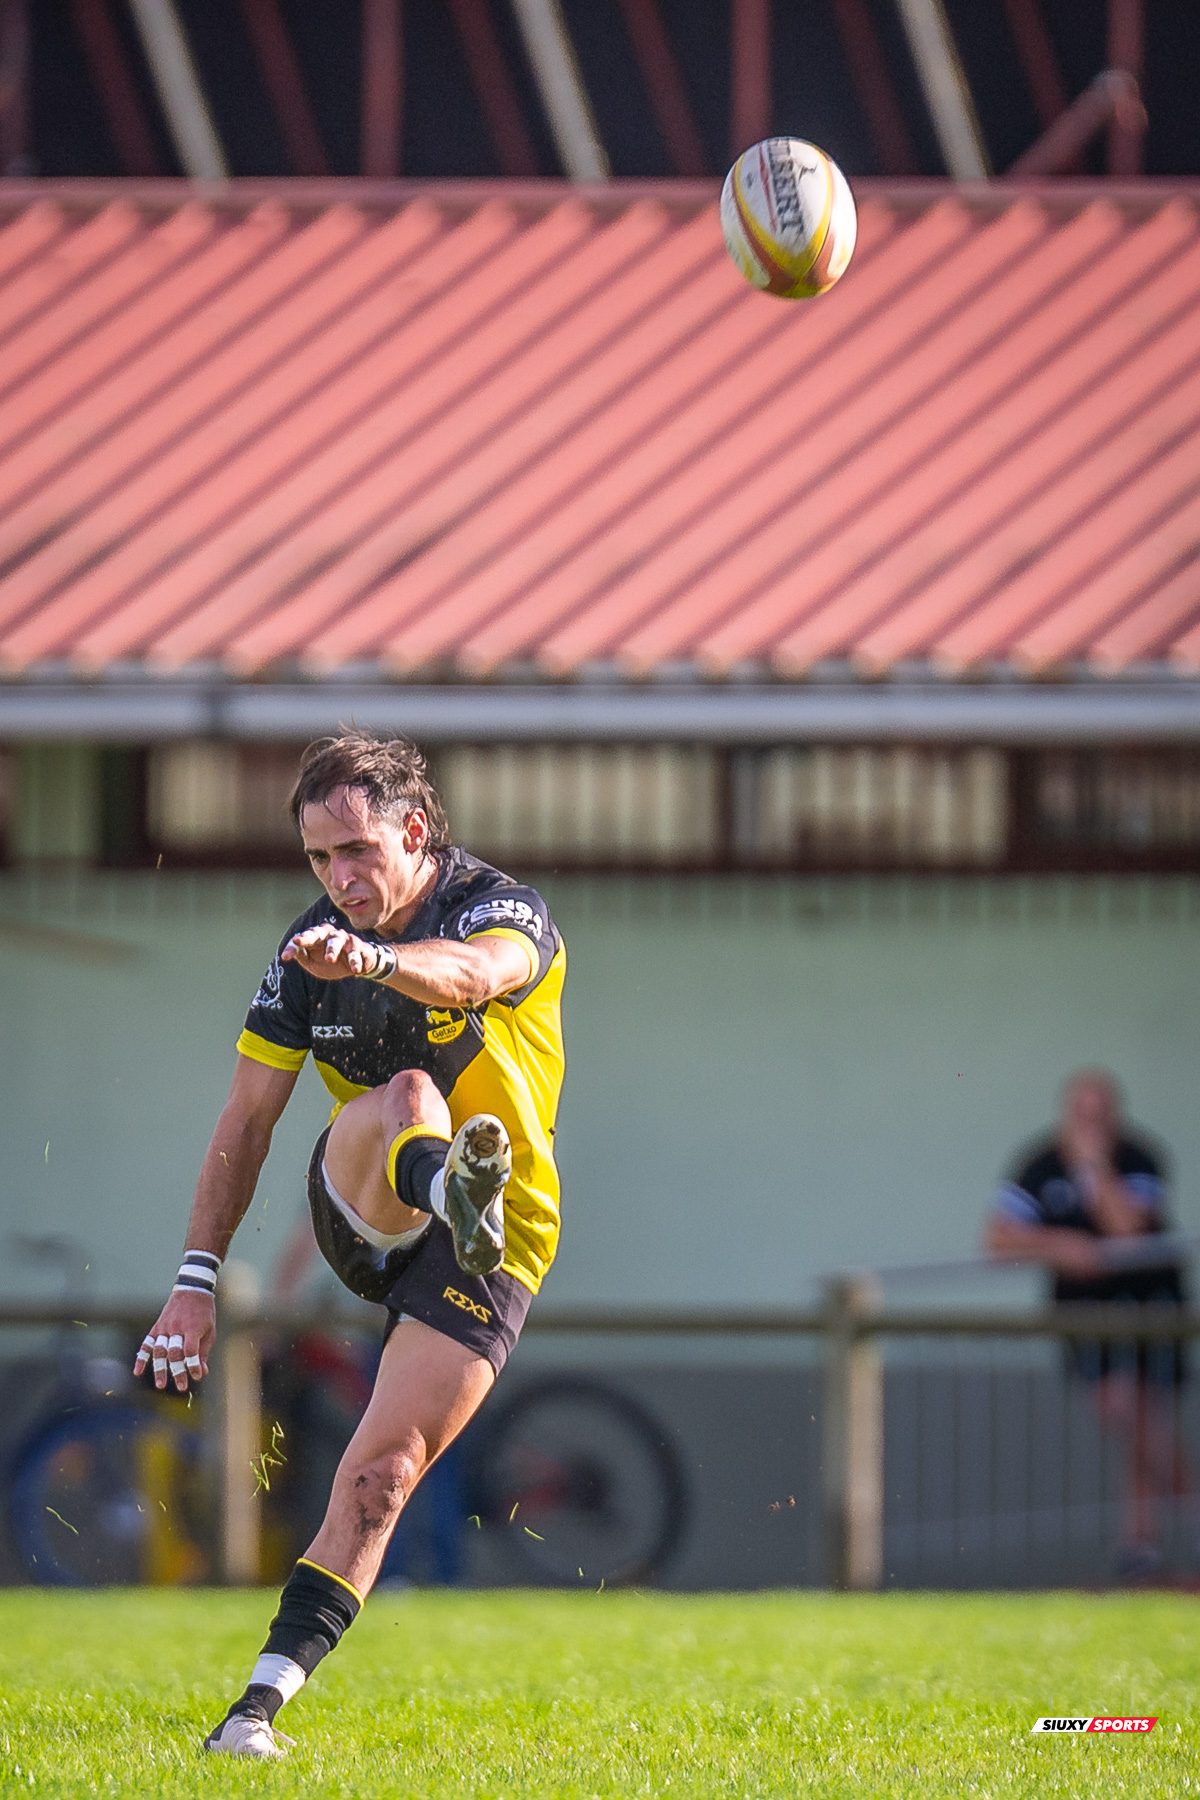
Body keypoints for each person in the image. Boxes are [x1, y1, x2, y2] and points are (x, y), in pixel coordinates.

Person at [134, 732, 566, 1757]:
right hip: (364, 1208)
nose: (338, 879)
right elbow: (245, 1123)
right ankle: (447, 1187)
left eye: (357, 851)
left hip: (500, 1242)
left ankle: (252, 1714)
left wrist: (375, 961)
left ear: (414, 831)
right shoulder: (307, 953)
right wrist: (194, 1283)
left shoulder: (500, 908)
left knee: (383, 1476)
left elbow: (475, 974)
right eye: (319, 858)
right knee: (406, 1092)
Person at [985, 1069, 1190, 1579]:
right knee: (1128, 1415)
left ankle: (1140, 1545)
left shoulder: (1139, 1157)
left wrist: (1094, 1169)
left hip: (1149, 1312)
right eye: (1081, 1116)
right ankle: (1166, 1520)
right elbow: (997, 1240)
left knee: (1140, 1412)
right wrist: (1058, 1244)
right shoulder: (1040, 1162)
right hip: (1084, 1317)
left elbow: (1125, 1230)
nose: (1089, 1127)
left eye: (1099, 1117)